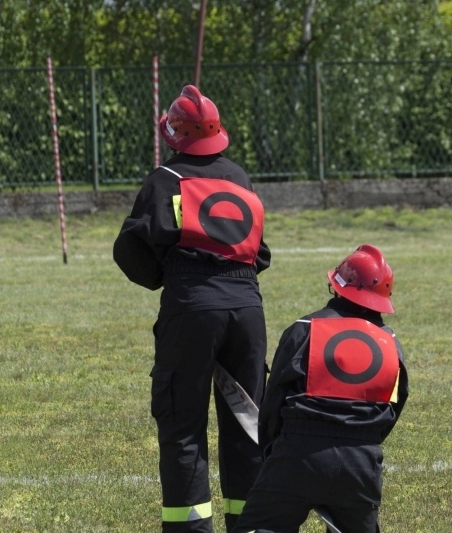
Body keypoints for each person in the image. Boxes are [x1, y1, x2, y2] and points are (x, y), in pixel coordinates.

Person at [113, 84, 271, 533]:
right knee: (247, 422)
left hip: (191, 306)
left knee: (183, 424)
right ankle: (251, 524)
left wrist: (167, 277)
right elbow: (259, 252)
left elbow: (129, 248)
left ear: (174, 134)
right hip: (246, 308)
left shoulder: (165, 178)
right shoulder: (239, 177)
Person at [234, 244, 409, 533]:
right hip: (361, 461)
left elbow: (274, 399)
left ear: (336, 286)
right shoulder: (391, 342)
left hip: (298, 453)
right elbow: (393, 408)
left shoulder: (305, 328)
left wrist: (275, 451)